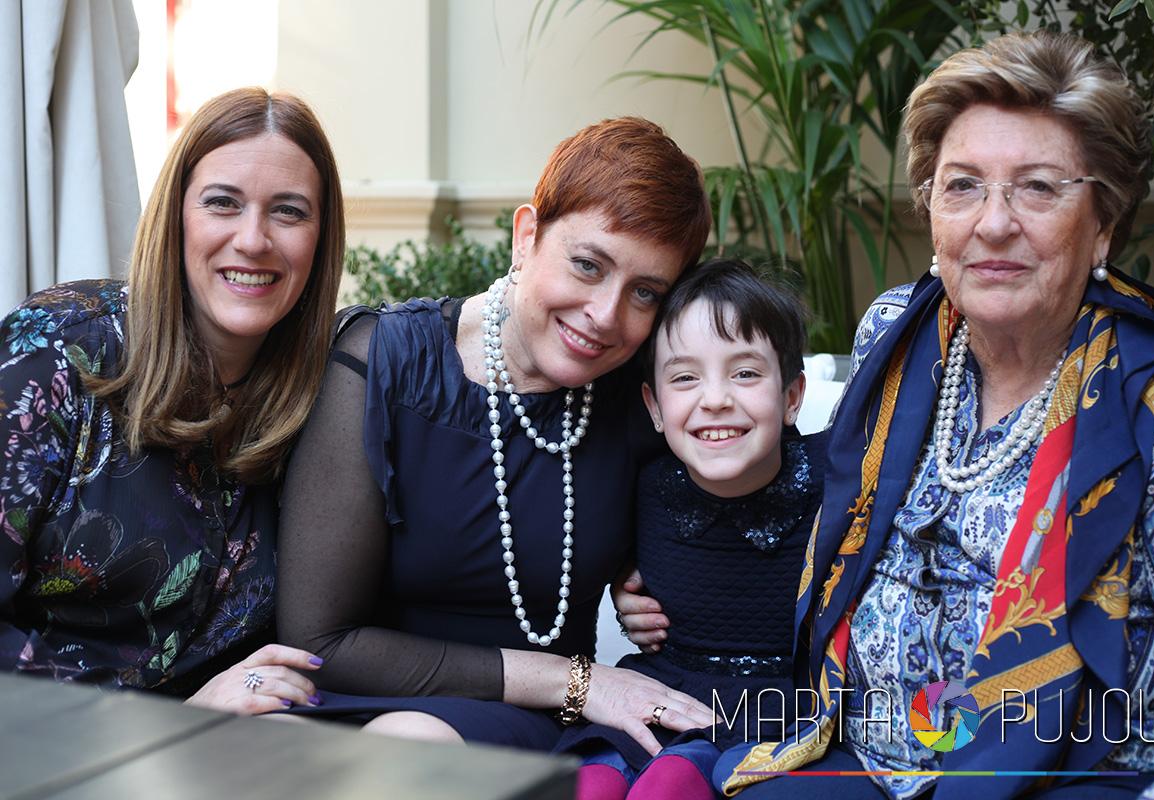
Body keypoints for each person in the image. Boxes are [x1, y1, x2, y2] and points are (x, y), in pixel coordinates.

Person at [622, 32, 1154, 799]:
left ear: (1103, 225)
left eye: (1037, 187)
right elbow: (792, 483)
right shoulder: (896, 335)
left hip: (1070, 772)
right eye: (963, 186)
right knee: (737, 786)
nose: (993, 222)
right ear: (932, 211)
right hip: (872, 757)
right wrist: (647, 570)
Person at [276, 117, 714, 754]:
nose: (605, 315)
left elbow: (743, 504)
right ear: (527, 235)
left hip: (514, 722)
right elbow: (317, 643)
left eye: (645, 293)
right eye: (587, 265)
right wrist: (575, 680)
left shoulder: (636, 397)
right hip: (358, 691)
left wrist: (646, 573)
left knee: (406, 745)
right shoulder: (381, 363)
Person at [0, 88, 345, 715]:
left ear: (321, 240)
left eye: (289, 212)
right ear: (176, 216)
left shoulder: (327, 393)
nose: (253, 239)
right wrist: (170, 726)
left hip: (237, 746)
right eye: (222, 203)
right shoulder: (59, 350)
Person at [555, 259, 825, 800]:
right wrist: (622, 585)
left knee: (672, 783)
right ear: (655, 407)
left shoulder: (836, 483)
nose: (715, 398)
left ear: (792, 397)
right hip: (660, 691)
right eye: (684, 378)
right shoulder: (643, 483)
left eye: (745, 373)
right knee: (592, 782)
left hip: (777, 710)